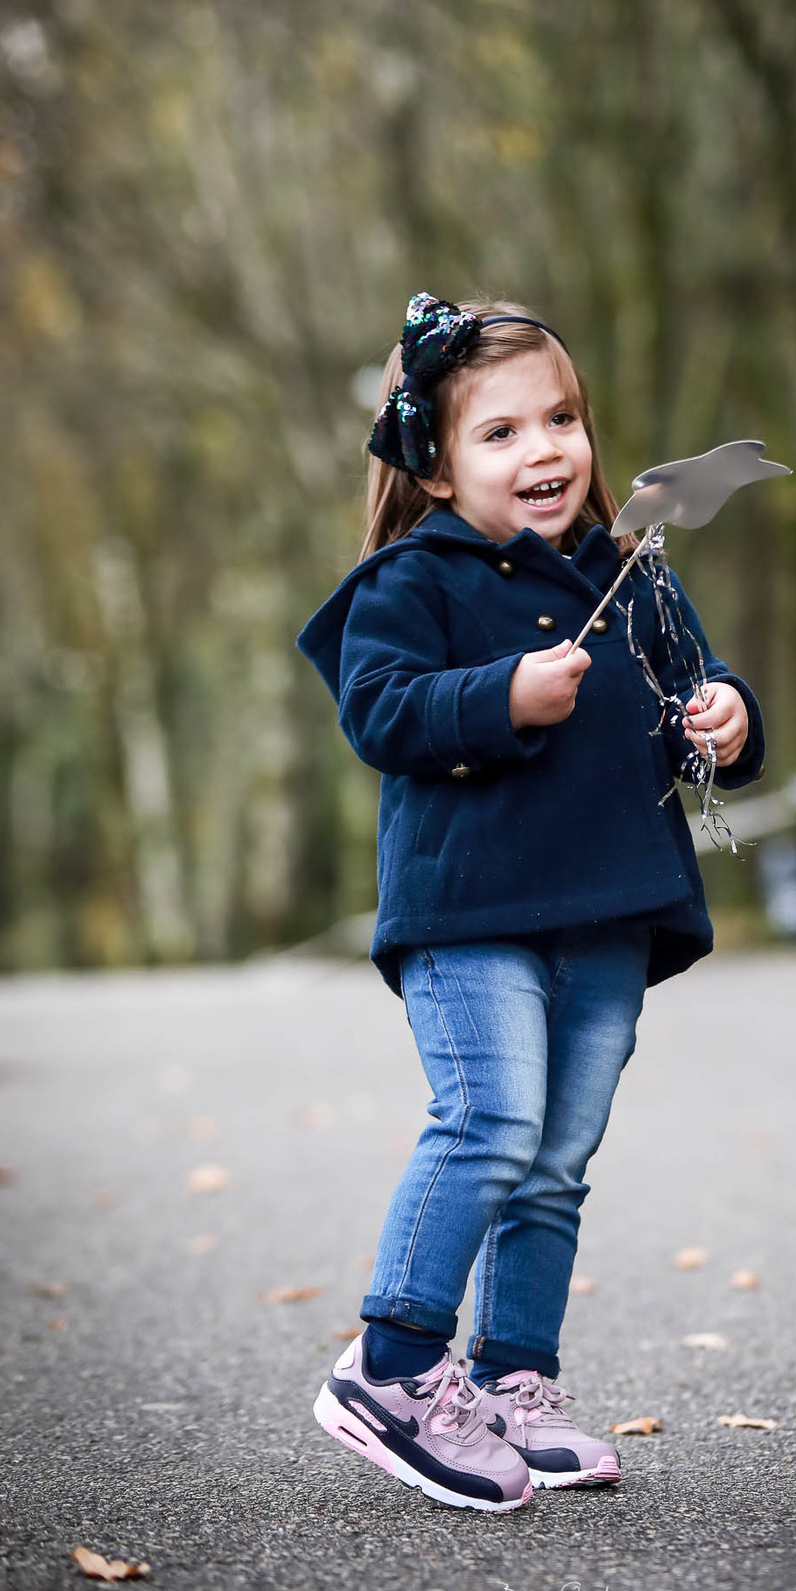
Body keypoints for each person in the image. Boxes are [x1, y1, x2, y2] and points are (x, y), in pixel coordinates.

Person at [296, 291, 765, 1512]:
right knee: (492, 1121)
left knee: (556, 1161)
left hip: (608, 911)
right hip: (471, 913)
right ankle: (392, 1367)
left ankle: (511, 1381)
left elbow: (695, 687)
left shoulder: (634, 574)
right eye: (500, 432)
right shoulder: (413, 580)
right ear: (436, 466)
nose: (544, 449)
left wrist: (725, 718)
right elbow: (379, 712)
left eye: (561, 418)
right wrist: (500, 695)